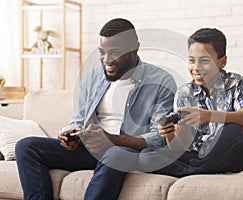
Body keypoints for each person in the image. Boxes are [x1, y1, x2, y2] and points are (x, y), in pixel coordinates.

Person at [15, 18, 177, 200]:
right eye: (102, 52)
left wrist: (112, 140)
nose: (106, 60)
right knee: (26, 146)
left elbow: (159, 138)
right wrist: (69, 134)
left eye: (115, 52)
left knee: (116, 153)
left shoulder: (161, 81)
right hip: (90, 150)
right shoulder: (92, 76)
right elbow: (78, 120)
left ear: (134, 48)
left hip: (125, 151)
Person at [153, 28, 243, 177]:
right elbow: (180, 147)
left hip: (234, 156)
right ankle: (200, 171)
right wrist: (169, 134)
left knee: (233, 130)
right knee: (147, 154)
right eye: (191, 60)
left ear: (222, 61)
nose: (196, 67)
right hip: (200, 156)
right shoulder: (184, 93)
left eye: (204, 61)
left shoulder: (235, 82)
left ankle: (192, 171)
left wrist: (209, 116)